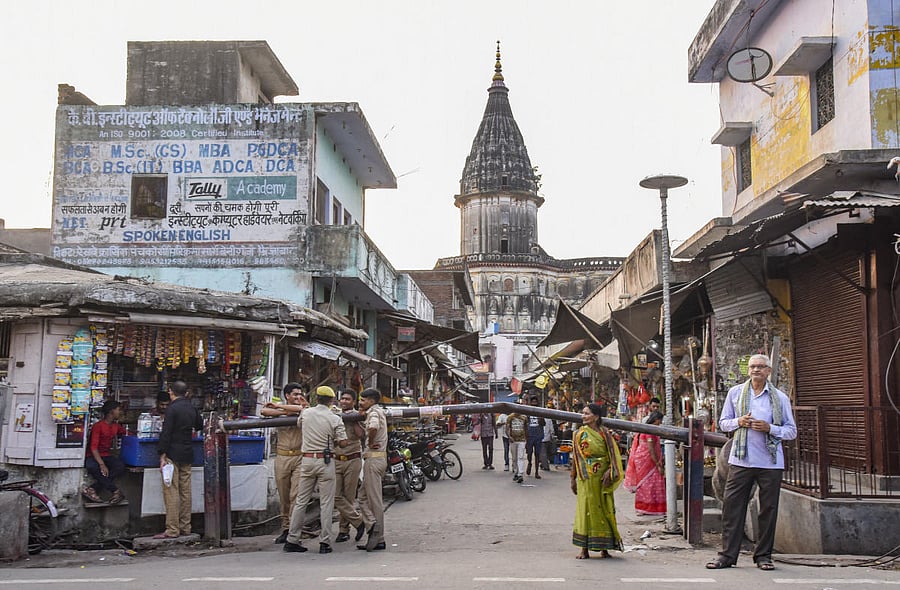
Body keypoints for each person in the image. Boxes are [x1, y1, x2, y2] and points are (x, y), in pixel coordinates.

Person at [706, 354, 797, 571]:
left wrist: (770, 428)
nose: (756, 370)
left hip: (770, 462)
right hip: (741, 459)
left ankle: (763, 556)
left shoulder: (780, 398)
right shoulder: (736, 393)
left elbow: (791, 431)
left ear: (768, 371)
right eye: (752, 366)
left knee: (768, 510)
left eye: (760, 367)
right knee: (732, 508)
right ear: (748, 370)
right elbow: (724, 423)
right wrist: (739, 422)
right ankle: (727, 556)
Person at [283, 385, 349, 555]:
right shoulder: (334, 418)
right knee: (326, 503)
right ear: (332, 401)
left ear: (316, 398)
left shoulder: (306, 413)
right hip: (325, 461)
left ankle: (292, 539)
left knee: (300, 501)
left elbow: (300, 423)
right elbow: (343, 442)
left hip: (306, 460)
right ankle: (324, 542)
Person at [571, 403, 623, 559]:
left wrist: (610, 471)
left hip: (603, 478)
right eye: (583, 413)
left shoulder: (605, 433)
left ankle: (604, 548)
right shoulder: (579, 434)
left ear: (596, 417)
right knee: (585, 510)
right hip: (585, 477)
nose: (583, 416)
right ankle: (584, 549)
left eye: (587, 413)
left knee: (604, 508)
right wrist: (572, 478)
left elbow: (613, 454)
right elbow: (575, 457)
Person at [261, 382, 308, 544]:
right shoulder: (281, 410)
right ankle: (286, 528)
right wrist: (282, 409)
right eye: (295, 394)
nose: (298, 397)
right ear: (287, 395)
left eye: (300, 394)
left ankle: (295, 531)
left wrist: (281, 408)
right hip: (282, 457)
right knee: (284, 496)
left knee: (297, 496)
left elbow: (303, 409)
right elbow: (263, 411)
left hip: (300, 457)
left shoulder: (305, 409)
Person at [156, 380, 202, 539]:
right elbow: (200, 425)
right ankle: (185, 526)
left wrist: (162, 454)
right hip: (187, 452)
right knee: (185, 491)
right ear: (186, 393)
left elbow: (166, 433)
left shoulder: (172, 409)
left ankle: (172, 529)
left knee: (171, 491)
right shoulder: (192, 408)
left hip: (172, 454)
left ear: (171, 392)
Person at [356, 388, 388, 551]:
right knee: (362, 497)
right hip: (378, 458)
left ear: (372, 401)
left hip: (374, 459)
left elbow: (373, 427)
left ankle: (378, 535)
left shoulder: (374, 413)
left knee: (374, 501)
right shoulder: (376, 411)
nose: (360, 402)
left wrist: (370, 442)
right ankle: (372, 525)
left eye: (363, 400)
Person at [334, 389, 367, 544]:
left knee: (348, 496)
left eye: (348, 399)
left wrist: (354, 420)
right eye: (342, 399)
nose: (344, 401)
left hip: (353, 459)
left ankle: (343, 530)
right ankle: (358, 521)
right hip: (336, 459)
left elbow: (361, 435)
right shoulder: (334, 414)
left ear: (353, 401)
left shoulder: (358, 415)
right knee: (335, 496)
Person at [83, 399, 127, 504]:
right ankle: (115, 491)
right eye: (118, 410)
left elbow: (126, 433)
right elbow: (93, 448)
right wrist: (102, 464)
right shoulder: (98, 426)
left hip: (106, 455)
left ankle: (92, 489)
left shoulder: (116, 426)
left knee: (119, 466)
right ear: (111, 411)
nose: (119, 412)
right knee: (93, 467)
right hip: (93, 456)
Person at [624, 410, 666, 516]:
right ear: (656, 420)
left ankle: (647, 508)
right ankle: (648, 508)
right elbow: (651, 450)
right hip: (647, 461)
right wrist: (658, 464)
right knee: (649, 483)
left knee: (647, 483)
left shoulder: (647, 429)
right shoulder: (650, 431)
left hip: (643, 459)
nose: (660, 423)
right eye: (660, 421)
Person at [525, 396, 545, 479]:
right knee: (529, 453)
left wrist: (541, 419)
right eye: (532, 402)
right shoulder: (527, 412)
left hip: (538, 435)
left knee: (537, 454)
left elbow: (544, 424)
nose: (534, 404)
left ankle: (536, 472)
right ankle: (529, 463)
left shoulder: (540, 412)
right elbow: (525, 424)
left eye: (535, 402)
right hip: (530, 435)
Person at [507, 408, 528, 483]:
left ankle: (520, 474)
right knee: (514, 458)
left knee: (520, 457)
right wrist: (509, 437)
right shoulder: (510, 417)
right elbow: (507, 428)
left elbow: (526, 428)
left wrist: (526, 439)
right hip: (513, 440)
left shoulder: (524, 417)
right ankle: (516, 472)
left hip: (522, 440)